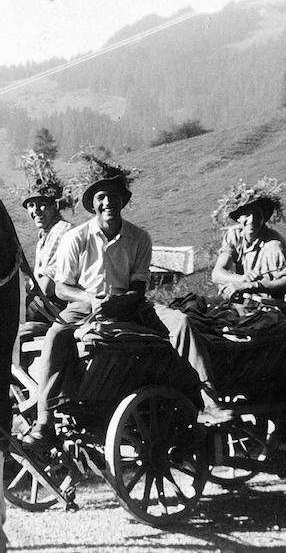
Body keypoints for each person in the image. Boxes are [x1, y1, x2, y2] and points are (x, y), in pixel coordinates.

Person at [21, 165, 231, 451]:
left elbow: (139, 287)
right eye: (102, 197)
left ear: (123, 201)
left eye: (114, 197)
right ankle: (44, 421)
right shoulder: (76, 238)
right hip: (86, 305)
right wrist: (91, 299)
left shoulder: (139, 238)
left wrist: (122, 301)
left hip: (131, 304)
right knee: (57, 334)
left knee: (180, 322)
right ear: (92, 204)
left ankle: (209, 402)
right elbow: (61, 288)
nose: (108, 202)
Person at [211, 177, 286, 300]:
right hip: (245, 294)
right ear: (238, 218)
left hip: (269, 300)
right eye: (246, 214)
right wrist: (242, 279)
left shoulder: (274, 245)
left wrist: (254, 285)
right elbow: (217, 274)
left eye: (257, 215)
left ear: (263, 218)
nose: (252, 221)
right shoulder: (234, 235)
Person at [22, 174, 72, 324]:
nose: (36, 210)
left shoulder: (62, 231)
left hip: (56, 304)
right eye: (31, 206)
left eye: (41, 204)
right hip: (43, 302)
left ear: (55, 206)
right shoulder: (44, 236)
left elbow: (46, 288)